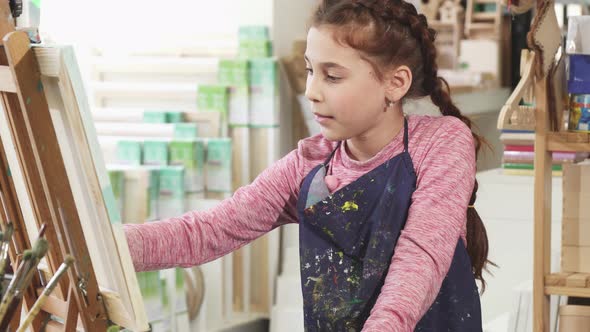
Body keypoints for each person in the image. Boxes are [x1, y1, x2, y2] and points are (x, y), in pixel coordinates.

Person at [124, 0, 494, 330]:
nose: (312, 91)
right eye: (309, 71)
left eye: (332, 76)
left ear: (395, 83)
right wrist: (106, 242)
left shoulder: (441, 143)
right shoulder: (310, 164)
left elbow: (421, 254)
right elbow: (206, 232)